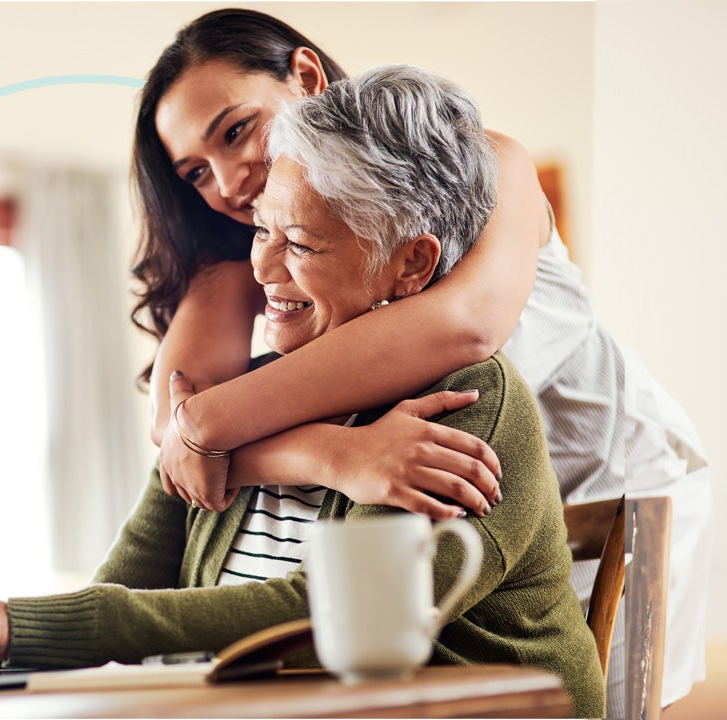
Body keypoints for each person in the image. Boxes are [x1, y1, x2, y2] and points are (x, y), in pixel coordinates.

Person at [0, 65, 605, 718]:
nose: (264, 272)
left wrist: (12, 624)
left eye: (300, 244)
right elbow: (127, 584)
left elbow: (322, 618)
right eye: (259, 231)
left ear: (410, 266)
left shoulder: (468, 402)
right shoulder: (256, 393)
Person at [135, 9, 710, 714]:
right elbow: (176, 428)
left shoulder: (486, 163)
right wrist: (328, 456)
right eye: (196, 172)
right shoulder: (247, 247)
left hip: (602, 484)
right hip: (451, 512)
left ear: (307, 76)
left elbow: (463, 328)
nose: (227, 180)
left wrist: (219, 432)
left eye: (235, 130)